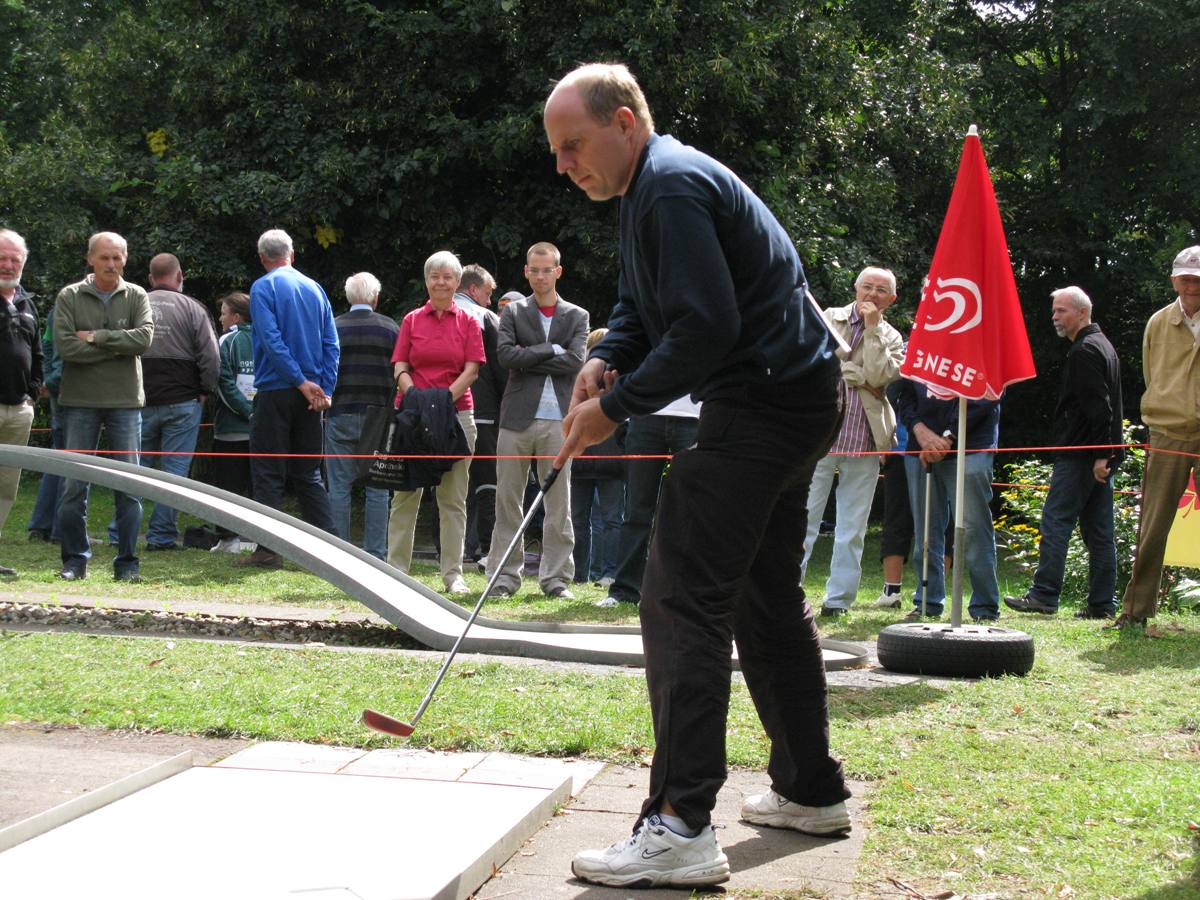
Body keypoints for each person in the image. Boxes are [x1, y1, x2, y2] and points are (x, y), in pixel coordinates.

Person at [545, 63, 851, 889]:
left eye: (574, 145)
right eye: (558, 151)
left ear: (625, 123)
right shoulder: (649, 189)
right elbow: (648, 307)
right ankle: (811, 791)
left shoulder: (670, 186)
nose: (565, 164)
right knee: (760, 595)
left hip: (764, 404)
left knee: (680, 594)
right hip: (791, 399)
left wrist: (619, 407)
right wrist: (607, 356)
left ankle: (680, 824)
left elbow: (708, 326)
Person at [1004, 287, 1123, 619]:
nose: (1054, 317)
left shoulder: (1085, 350)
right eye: (1054, 311)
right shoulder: (1103, 346)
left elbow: (1099, 407)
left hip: (1082, 454)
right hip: (1096, 453)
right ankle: (1102, 604)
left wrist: (1101, 454)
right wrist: (1108, 454)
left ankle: (1043, 595)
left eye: (1061, 311)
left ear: (1082, 313)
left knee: (1056, 521)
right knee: (1099, 533)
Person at [800, 266, 904, 617]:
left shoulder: (892, 336)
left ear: (891, 299)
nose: (872, 295)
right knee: (802, 519)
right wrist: (848, 372)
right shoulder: (829, 317)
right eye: (867, 287)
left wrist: (872, 333)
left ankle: (838, 601)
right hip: (819, 436)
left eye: (881, 290)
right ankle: (787, 590)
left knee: (852, 529)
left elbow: (879, 376)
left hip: (866, 439)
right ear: (855, 288)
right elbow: (812, 362)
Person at [488, 242, 588, 599]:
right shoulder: (512, 312)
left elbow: (575, 361)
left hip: (560, 421)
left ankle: (556, 580)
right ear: (526, 272)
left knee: (558, 504)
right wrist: (550, 349)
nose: (541, 276)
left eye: (547, 270)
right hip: (516, 419)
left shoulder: (577, 316)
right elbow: (504, 357)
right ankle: (503, 579)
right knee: (507, 501)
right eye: (535, 269)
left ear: (558, 271)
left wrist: (528, 356)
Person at [54, 231, 154, 581]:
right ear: (90, 259)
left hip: (126, 402)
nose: (112, 264)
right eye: (105, 257)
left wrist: (96, 337)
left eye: (118, 257)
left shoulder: (137, 294)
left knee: (129, 484)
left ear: (125, 259)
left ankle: (126, 563)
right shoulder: (69, 296)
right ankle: (75, 560)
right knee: (73, 486)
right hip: (79, 401)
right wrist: (118, 347)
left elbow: (143, 340)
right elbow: (66, 349)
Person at [1111, 246, 1200, 629]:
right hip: (1169, 430)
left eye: (1197, 278)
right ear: (1173, 280)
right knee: (1153, 524)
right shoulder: (1158, 322)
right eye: (1185, 277)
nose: (1192, 284)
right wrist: (1167, 409)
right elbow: (1152, 376)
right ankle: (1135, 611)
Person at [240, 229, 339, 569]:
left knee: (268, 471)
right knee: (308, 472)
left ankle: (269, 550)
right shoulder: (315, 288)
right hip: (313, 395)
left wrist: (299, 382)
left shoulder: (262, 287)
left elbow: (270, 340)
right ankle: (331, 549)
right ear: (292, 255)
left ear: (262, 257)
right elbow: (331, 343)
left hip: (276, 389)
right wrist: (323, 388)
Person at [386, 251, 484, 594]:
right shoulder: (412, 320)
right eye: (434, 276)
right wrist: (415, 398)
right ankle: (396, 571)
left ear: (458, 283)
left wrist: (442, 401)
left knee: (453, 499)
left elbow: (472, 369)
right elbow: (400, 364)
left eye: (447, 277)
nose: (441, 282)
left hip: (456, 416)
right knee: (404, 496)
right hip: (412, 416)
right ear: (427, 281)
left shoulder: (469, 322)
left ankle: (453, 574)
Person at [894, 378, 1002, 622]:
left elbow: (991, 392)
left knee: (975, 528)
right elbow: (904, 393)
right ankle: (927, 602)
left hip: (972, 445)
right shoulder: (919, 341)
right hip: (920, 446)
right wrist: (920, 431)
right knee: (925, 530)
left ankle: (985, 607)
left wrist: (947, 436)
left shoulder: (983, 343)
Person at [132, 253, 219, 550]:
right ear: (179, 276)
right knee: (175, 470)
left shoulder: (133, 303)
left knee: (133, 467)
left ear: (149, 278)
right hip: (183, 401)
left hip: (138, 400)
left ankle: (122, 532)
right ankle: (161, 536)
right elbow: (210, 356)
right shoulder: (194, 308)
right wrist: (205, 389)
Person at [596, 395, 700, 608]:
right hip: (645, 416)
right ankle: (624, 590)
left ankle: (687, 591)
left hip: (696, 417)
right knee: (636, 510)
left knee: (691, 512)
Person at [325, 272, 399, 560]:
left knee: (339, 487)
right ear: (375, 298)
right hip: (378, 417)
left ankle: (338, 551)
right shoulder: (390, 328)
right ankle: (375, 554)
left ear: (348, 297)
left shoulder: (333, 327)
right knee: (378, 489)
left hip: (340, 411)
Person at [453, 264, 507, 564]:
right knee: (488, 483)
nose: (489, 301)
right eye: (487, 294)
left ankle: (446, 548)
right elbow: (501, 367)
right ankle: (487, 549)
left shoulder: (435, 312)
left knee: (448, 481)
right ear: (473, 290)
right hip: (483, 412)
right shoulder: (486, 317)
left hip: (442, 411)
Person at [0, 228, 42, 576]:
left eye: (15, 258)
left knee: (5, 488)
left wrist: (32, 394)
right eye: (2, 257)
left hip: (19, 410)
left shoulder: (28, 304)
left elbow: (38, 355)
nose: (9, 264)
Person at [571, 328, 626, 587]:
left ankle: (584, 573)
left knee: (582, 519)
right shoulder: (617, 378)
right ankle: (603, 572)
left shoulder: (583, 380)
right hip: (605, 458)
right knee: (608, 519)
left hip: (593, 456)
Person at [209, 292, 255, 553]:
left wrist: (247, 411)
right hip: (261, 430)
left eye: (224, 313)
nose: (220, 318)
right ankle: (261, 540)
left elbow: (224, 384)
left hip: (231, 430)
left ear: (236, 317)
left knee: (228, 487)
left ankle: (229, 540)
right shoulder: (266, 339)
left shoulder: (227, 340)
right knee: (258, 486)